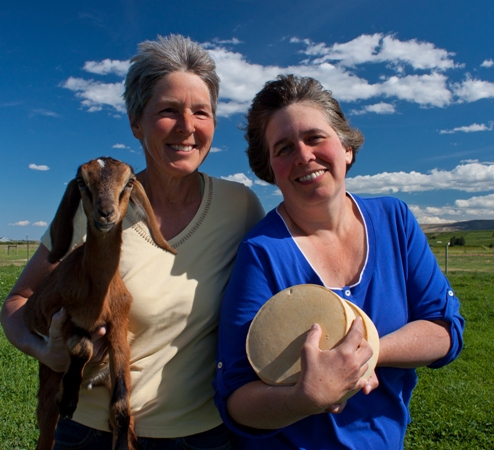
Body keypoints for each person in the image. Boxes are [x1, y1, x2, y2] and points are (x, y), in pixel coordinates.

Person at [1, 34, 264, 449]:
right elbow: (17, 303)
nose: (187, 127)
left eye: (201, 111)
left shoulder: (240, 206)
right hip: (91, 433)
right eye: (168, 111)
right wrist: (45, 350)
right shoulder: (92, 207)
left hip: (204, 433)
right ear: (136, 123)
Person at [213, 74, 464, 449]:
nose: (303, 156)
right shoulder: (263, 251)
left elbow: (445, 328)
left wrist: (367, 355)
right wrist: (303, 399)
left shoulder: (394, 220)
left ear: (346, 147)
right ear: (269, 169)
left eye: (315, 137)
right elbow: (235, 400)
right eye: (284, 148)